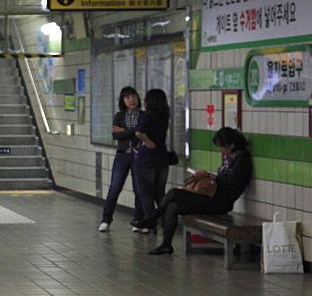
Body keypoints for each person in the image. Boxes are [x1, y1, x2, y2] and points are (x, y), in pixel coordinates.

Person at [132, 128, 253, 255]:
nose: (220, 150)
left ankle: (152, 218)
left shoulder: (242, 160)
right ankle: (166, 244)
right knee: (172, 207)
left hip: (220, 203)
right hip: (214, 197)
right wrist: (208, 176)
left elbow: (231, 184)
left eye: (221, 147)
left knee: (174, 192)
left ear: (232, 145)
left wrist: (211, 176)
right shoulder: (232, 158)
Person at [98, 86, 143, 232]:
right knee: (114, 188)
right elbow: (116, 136)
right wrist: (132, 132)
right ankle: (106, 220)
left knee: (139, 190)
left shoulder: (144, 115)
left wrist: (125, 131)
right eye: (128, 97)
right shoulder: (119, 116)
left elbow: (142, 133)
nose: (131, 100)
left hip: (139, 156)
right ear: (123, 100)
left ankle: (138, 220)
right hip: (122, 155)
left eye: (133, 96)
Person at [131, 88, 170, 234]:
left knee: (146, 194)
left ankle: (150, 224)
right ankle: (167, 223)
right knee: (160, 194)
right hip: (162, 159)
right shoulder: (164, 117)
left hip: (146, 159)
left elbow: (139, 132)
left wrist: (147, 142)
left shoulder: (146, 116)